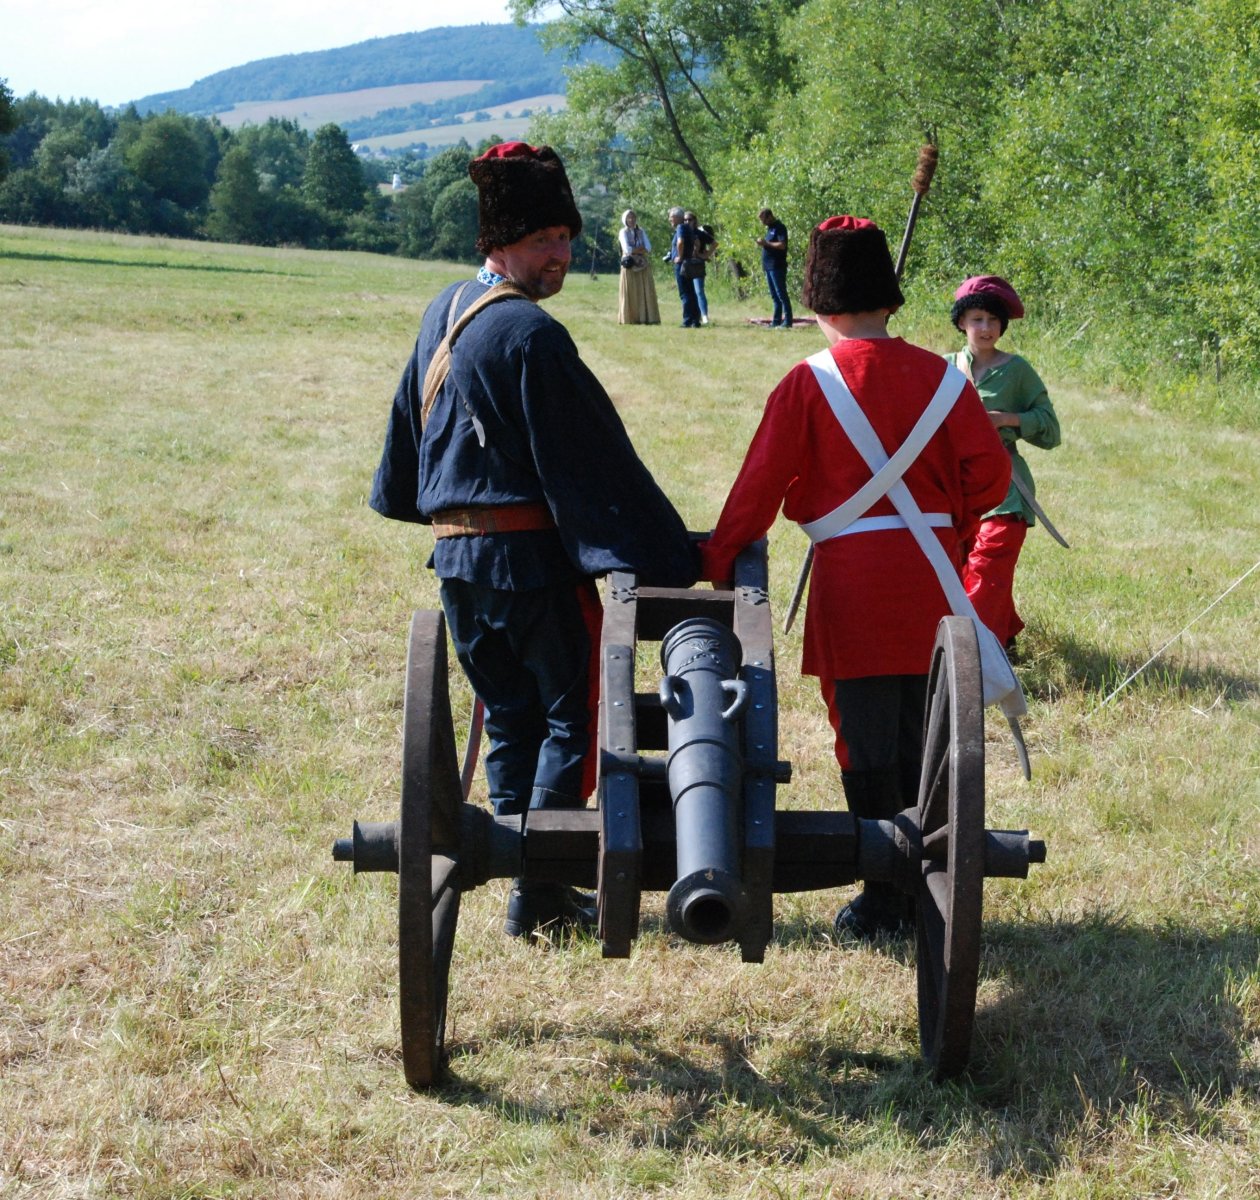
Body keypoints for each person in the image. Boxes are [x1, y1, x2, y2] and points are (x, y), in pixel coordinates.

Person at [370, 142, 698, 939]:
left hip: (457, 560)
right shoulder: (530, 334)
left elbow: (410, 433)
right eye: (544, 239)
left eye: (566, 237)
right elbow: (590, 461)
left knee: (511, 716)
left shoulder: (446, 307)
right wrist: (668, 551)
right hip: (526, 564)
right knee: (570, 717)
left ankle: (521, 870)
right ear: (501, 240)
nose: (562, 254)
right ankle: (542, 882)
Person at [700, 217, 1010, 941]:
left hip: (854, 585)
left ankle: (885, 895)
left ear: (818, 301)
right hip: (933, 578)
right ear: (889, 301)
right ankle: (926, 877)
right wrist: (948, 526)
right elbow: (991, 476)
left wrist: (717, 561)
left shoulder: (807, 382)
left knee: (864, 742)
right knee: (927, 734)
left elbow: (757, 491)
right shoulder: (946, 378)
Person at [949, 276, 1061, 658]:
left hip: (1007, 490)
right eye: (977, 318)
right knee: (960, 569)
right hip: (958, 488)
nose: (986, 328)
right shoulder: (945, 368)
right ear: (962, 322)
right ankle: (1005, 636)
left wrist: (1008, 419)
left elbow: (1050, 429)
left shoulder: (1018, 371)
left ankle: (977, 658)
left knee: (987, 566)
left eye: (993, 320)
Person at [617, 209, 660, 325]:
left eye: (633, 217)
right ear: (625, 220)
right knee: (630, 291)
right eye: (629, 218)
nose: (631, 220)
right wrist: (640, 249)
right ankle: (630, 317)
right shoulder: (623, 232)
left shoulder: (641, 231)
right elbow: (627, 249)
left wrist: (636, 250)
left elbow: (648, 247)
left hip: (642, 263)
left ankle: (645, 317)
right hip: (629, 264)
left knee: (643, 291)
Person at [755, 207, 792, 329]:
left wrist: (766, 243)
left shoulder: (780, 227)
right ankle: (776, 321)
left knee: (781, 294)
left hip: (777, 266)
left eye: (764, 220)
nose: (763, 223)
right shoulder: (770, 229)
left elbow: (782, 245)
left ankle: (787, 321)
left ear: (770, 216)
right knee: (774, 295)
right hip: (769, 267)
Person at [667, 205, 702, 328]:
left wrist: (680, 257)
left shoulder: (681, 227)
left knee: (685, 293)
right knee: (691, 292)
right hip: (688, 263)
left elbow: (680, 242)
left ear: (678, 217)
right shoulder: (688, 227)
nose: (669, 219)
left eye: (671, 217)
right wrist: (694, 253)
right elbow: (697, 242)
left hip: (682, 264)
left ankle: (687, 320)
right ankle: (695, 320)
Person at [684, 211, 717, 325]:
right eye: (685, 220)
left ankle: (704, 316)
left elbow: (714, 243)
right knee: (688, 292)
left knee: (699, 291)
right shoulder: (682, 232)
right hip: (686, 264)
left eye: (689, 219)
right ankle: (693, 316)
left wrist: (706, 255)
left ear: (694, 220)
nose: (687, 222)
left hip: (697, 264)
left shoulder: (700, 233)